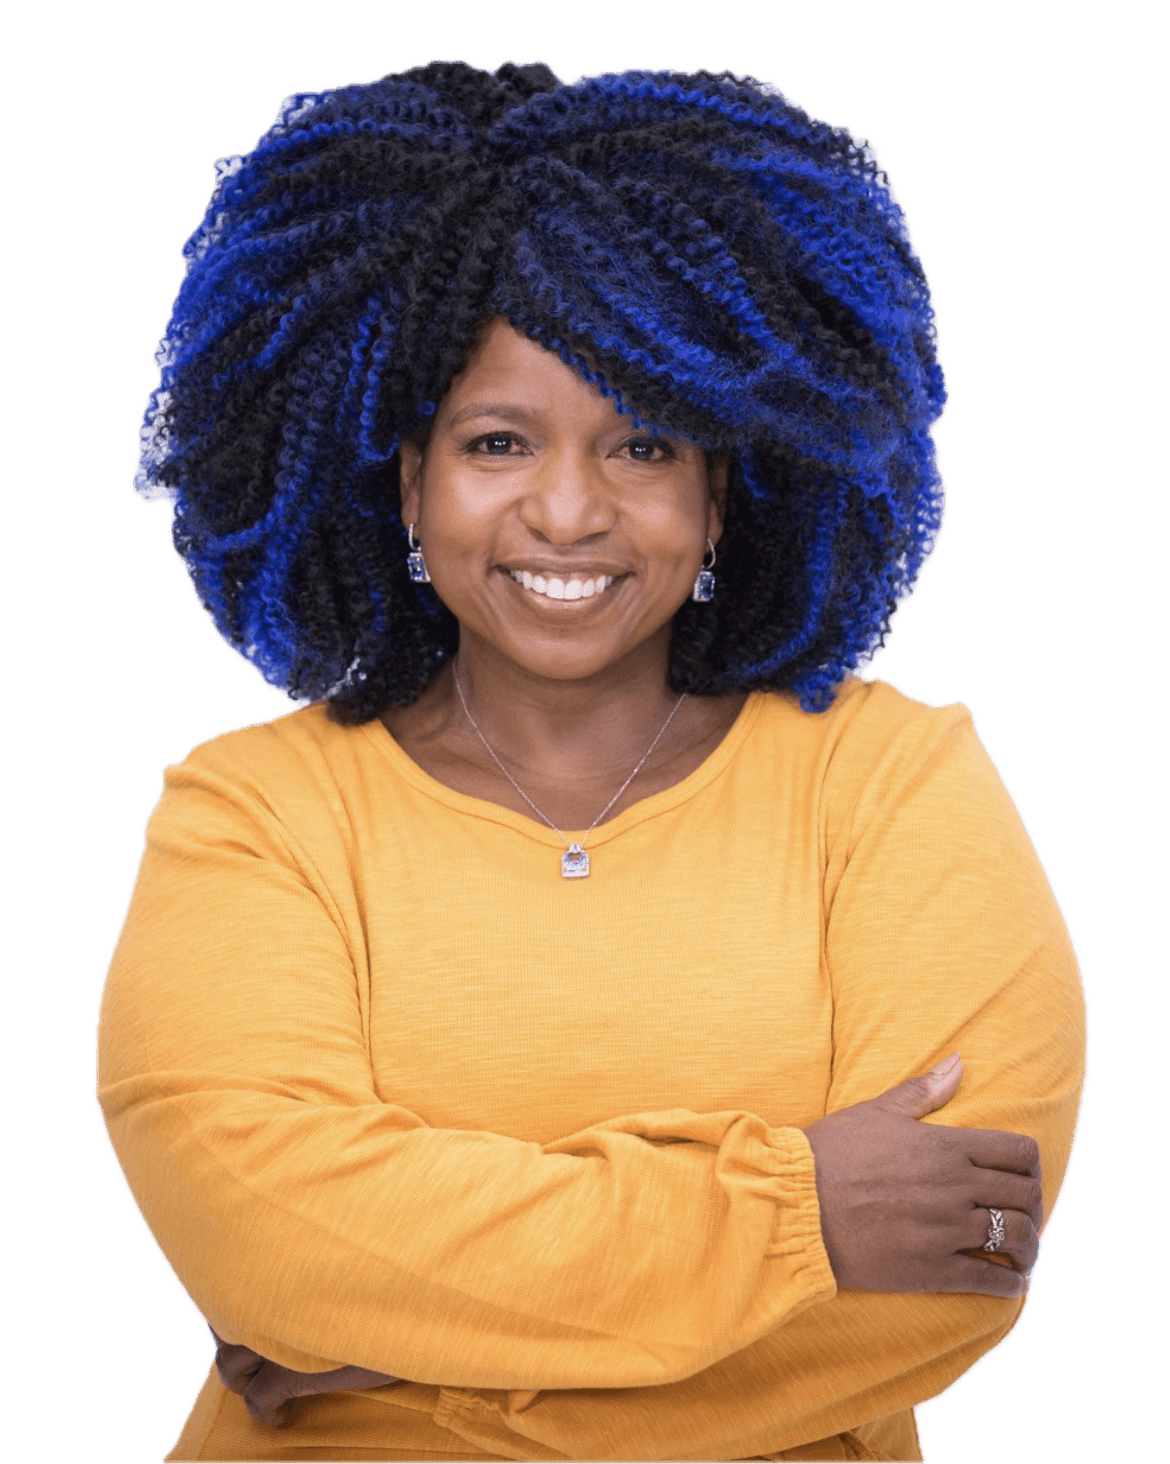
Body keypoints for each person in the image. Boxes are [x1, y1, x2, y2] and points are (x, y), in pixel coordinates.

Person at [93, 58, 1088, 1464]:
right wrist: (798, 1216)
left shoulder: (892, 783)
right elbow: (269, 1242)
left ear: (723, 490)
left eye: (643, 444)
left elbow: (953, 1266)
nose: (567, 512)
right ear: (408, 483)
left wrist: (391, 1351)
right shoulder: (251, 816)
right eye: (497, 442)